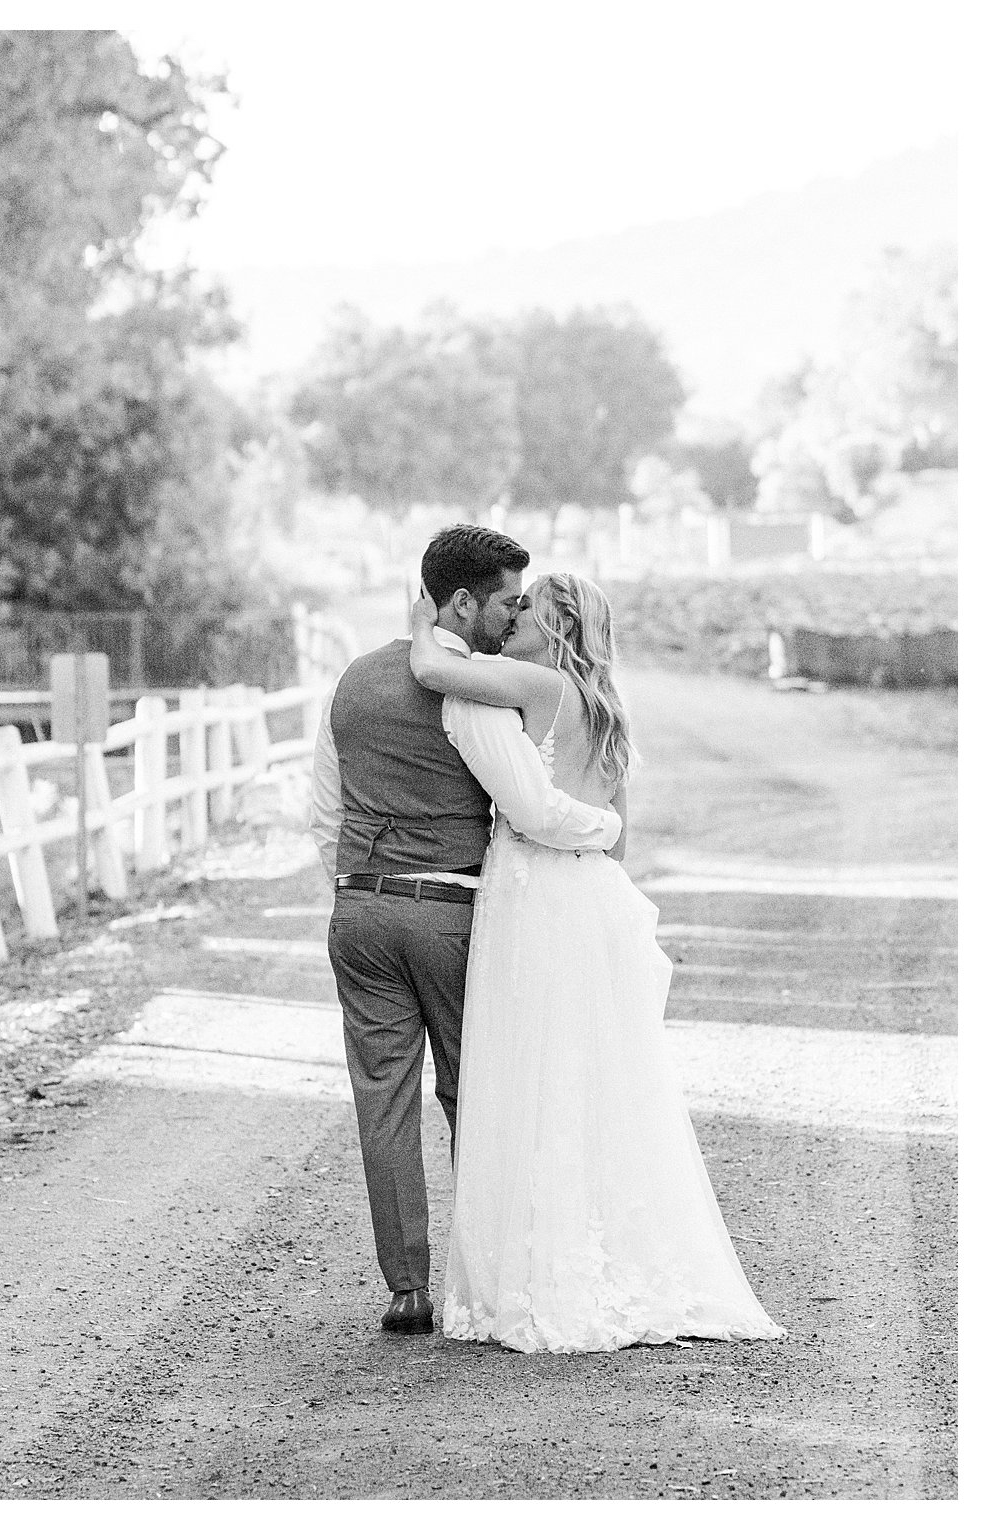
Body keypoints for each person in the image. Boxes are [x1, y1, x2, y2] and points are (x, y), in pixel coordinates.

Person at [407, 569, 785, 1352]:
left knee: (534, 1073)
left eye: (526, 608)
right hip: (593, 898)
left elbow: (435, 671)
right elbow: (623, 835)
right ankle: (605, 1256)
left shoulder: (540, 686)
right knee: (591, 1078)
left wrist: (421, 619)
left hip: (535, 894)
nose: (511, 617)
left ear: (557, 625)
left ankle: (548, 1274)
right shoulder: (609, 710)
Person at [307, 524, 623, 1336]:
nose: (512, 615)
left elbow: (324, 809)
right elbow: (521, 798)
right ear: (460, 601)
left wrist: (353, 888)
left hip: (359, 908)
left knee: (382, 1100)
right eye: (505, 602)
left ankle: (406, 1287)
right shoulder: (481, 685)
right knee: (473, 1093)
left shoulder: (352, 680)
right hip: (449, 911)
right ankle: (485, 1274)